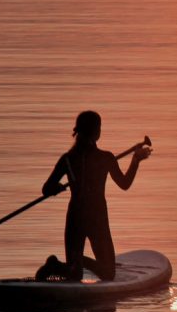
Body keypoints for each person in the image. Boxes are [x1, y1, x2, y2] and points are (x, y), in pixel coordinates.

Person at [35, 110, 151, 282]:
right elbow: (124, 184)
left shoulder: (68, 159)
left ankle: (58, 266)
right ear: (97, 132)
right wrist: (136, 161)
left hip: (75, 216)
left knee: (75, 275)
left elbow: (46, 188)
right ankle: (77, 261)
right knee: (108, 273)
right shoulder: (105, 158)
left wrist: (56, 188)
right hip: (97, 218)